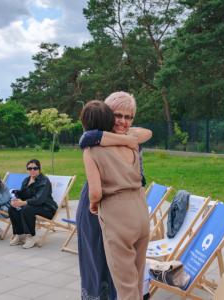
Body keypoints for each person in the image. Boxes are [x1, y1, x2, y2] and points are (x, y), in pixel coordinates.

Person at [77, 95, 151, 300]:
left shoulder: (128, 136)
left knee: (124, 269)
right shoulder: (95, 139)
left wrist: (126, 137)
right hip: (98, 205)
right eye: (117, 115)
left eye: (129, 117)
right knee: (98, 259)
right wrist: (126, 140)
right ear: (107, 114)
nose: (123, 121)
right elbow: (87, 138)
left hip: (120, 207)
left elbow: (147, 132)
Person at [8, 159, 58, 249]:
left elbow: (40, 199)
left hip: (46, 208)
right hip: (32, 205)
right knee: (12, 208)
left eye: (35, 168)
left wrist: (23, 203)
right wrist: (15, 199)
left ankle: (31, 236)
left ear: (39, 169)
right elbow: (22, 193)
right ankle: (19, 234)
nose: (32, 170)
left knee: (26, 208)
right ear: (27, 169)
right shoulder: (26, 180)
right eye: (29, 168)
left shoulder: (44, 181)